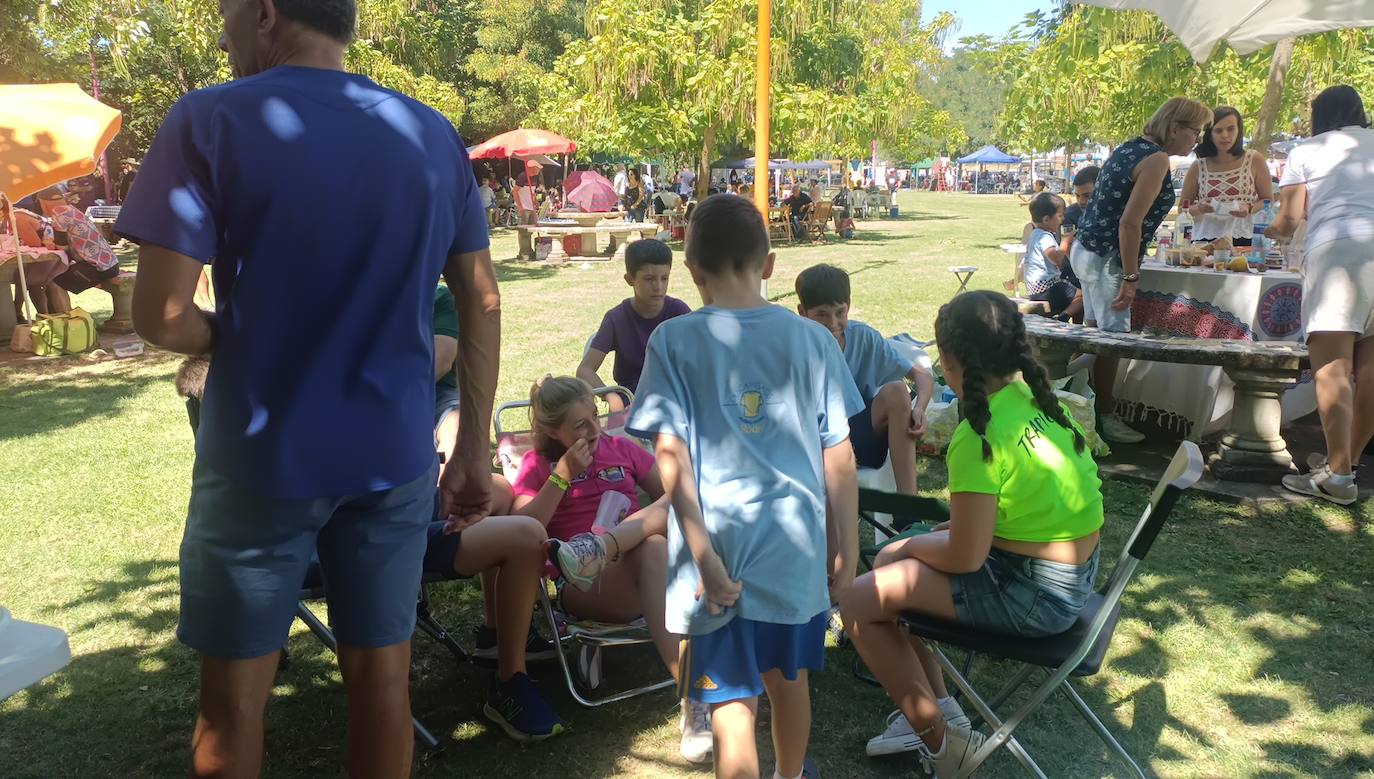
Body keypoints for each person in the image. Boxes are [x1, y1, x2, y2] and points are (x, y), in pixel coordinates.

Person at [113, 0, 504, 772]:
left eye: (223, 17)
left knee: (234, 700)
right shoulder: (429, 132)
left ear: (264, 13)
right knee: (385, 681)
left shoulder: (206, 121)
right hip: (393, 457)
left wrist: (232, 335)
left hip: (262, 459)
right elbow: (482, 297)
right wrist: (475, 449)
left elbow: (158, 315)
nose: (222, 36)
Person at [627, 194, 862, 779]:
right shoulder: (814, 340)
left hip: (718, 553)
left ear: (692, 269)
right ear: (772, 264)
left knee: (730, 702)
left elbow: (669, 456)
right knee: (790, 681)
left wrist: (703, 557)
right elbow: (840, 455)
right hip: (794, 551)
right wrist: (850, 551)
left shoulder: (673, 341)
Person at [841, 290, 1103, 774]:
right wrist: (918, 545)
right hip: (1073, 576)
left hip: (1035, 593)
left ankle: (943, 745)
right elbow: (1013, 511)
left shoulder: (978, 434)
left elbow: (964, 557)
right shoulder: (1036, 400)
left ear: (948, 360)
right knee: (892, 567)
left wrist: (909, 544)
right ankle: (940, 710)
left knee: (859, 598)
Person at [510, 376, 712, 762]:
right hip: (583, 585)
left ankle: (601, 547)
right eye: (580, 425)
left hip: (640, 567)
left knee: (675, 505)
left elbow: (674, 499)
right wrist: (562, 475)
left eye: (595, 418)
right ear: (553, 430)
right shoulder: (538, 466)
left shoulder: (622, 449)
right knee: (652, 548)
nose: (595, 430)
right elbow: (524, 529)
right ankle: (694, 699)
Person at [1071, 96, 1211, 445]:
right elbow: (1130, 224)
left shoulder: (1130, 147)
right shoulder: (1157, 159)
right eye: (1195, 130)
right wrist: (1131, 277)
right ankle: (1103, 412)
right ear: (1175, 127)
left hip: (1087, 249)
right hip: (1108, 258)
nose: (1196, 139)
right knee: (1113, 341)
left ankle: (1077, 405)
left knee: (1094, 336)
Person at [1267, 85, 1374, 504]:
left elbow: (1288, 220)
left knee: (1332, 367)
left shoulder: (1306, 150)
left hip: (1338, 251)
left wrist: (1270, 232)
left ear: (1318, 116)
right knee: (1369, 372)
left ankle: (1340, 474)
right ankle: (1343, 462)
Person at [794, 263, 935, 497]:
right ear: (802, 312)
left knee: (898, 391)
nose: (833, 323)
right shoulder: (793, 345)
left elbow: (921, 374)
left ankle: (908, 509)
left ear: (848, 307)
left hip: (860, 436)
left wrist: (919, 408)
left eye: (840, 312)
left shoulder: (863, 337)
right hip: (813, 441)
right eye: (822, 315)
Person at [577, 239, 691, 395]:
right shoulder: (616, 319)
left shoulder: (679, 312)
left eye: (664, 278)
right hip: (630, 400)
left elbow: (702, 361)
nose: (658, 286)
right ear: (630, 279)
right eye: (649, 279)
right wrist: (611, 395)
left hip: (672, 399)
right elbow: (585, 370)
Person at [1181, 106, 1274, 247]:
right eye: (1218, 130)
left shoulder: (1254, 159)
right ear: (1210, 134)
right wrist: (1200, 208)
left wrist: (1249, 208)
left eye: (1231, 129)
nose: (1225, 135)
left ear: (1239, 130)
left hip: (1244, 238)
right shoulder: (1198, 166)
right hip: (1205, 240)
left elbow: (1268, 200)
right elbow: (1183, 208)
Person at [33, 186, 120, 314]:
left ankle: (67, 321)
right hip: (109, 263)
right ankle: (64, 318)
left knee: (55, 282)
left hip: (98, 267)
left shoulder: (59, 213)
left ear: (43, 203)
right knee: (57, 278)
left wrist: (51, 245)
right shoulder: (71, 209)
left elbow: (62, 246)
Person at [1024, 193, 1084, 321]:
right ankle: (1063, 317)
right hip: (1046, 286)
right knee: (1085, 294)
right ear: (1046, 219)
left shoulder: (1035, 234)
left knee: (1075, 291)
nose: (1063, 219)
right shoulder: (1045, 236)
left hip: (1034, 288)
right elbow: (1056, 259)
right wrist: (1065, 241)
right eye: (1060, 216)